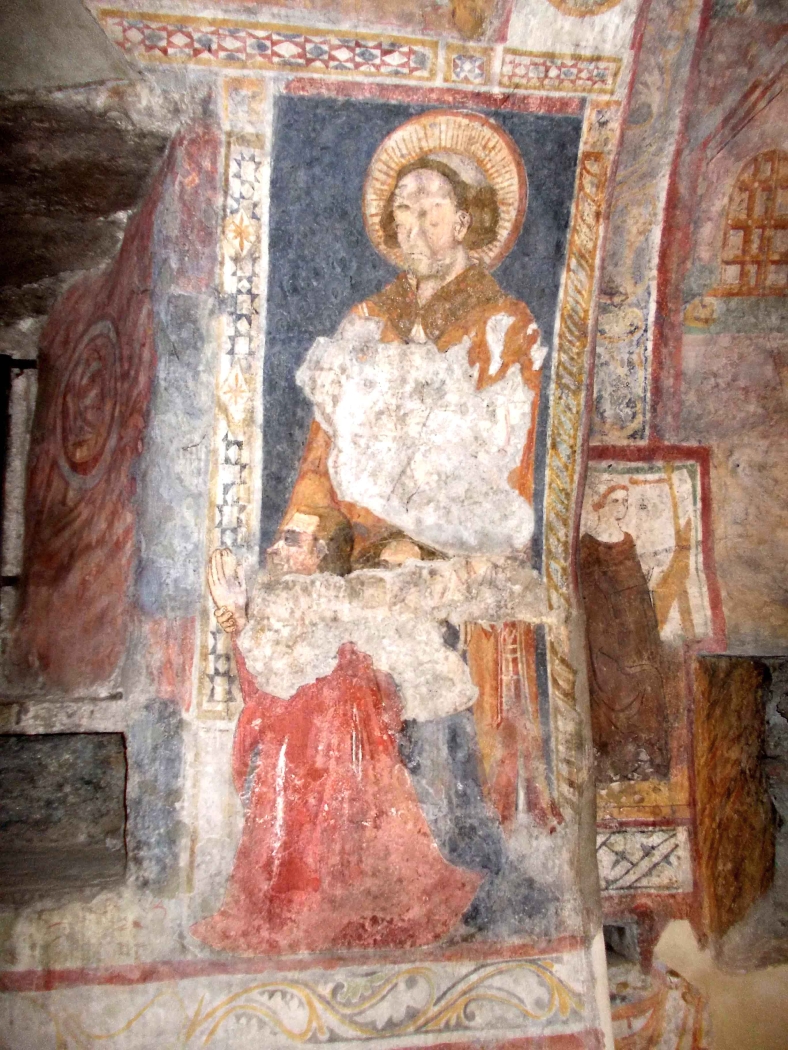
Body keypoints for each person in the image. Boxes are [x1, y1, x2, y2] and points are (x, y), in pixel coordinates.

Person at [194, 111, 557, 954]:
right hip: (356, 562)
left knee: (427, 687)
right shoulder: (363, 321)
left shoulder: (502, 324)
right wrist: (300, 535)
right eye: (402, 208)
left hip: (458, 557)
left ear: (468, 218)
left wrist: (422, 545)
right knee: (311, 673)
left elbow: (500, 466)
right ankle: (342, 879)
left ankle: (469, 870)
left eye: (431, 204)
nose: (414, 221)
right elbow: (323, 458)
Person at [579, 484, 671, 782]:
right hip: (604, 634)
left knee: (648, 679)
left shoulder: (628, 541)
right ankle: (612, 761)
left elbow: (637, 588)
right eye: (616, 501)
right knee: (609, 685)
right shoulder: (588, 544)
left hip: (633, 630)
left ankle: (644, 757)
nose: (622, 507)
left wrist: (644, 583)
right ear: (602, 504)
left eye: (625, 502)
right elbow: (589, 592)